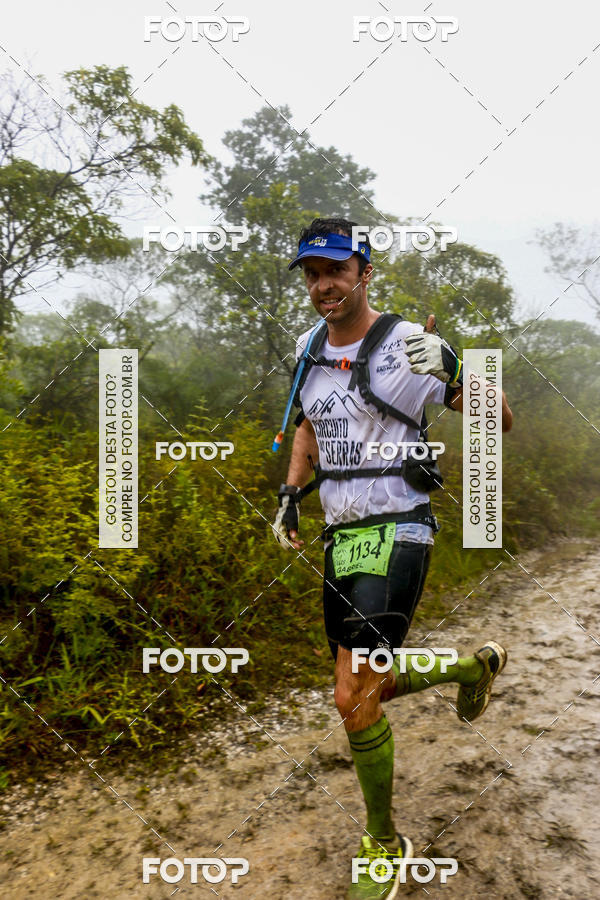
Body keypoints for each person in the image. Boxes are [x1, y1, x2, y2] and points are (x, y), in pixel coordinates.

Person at [271, 217, 513, 899]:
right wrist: (291, 496)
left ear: (364, 272)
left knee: (351, 695)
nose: (323, 285)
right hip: (341, 536)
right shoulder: (309, 346)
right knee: (361, 693)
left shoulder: (407, 343)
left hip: (402, 528)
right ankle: (469, 666)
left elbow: (500, 418)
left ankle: (384, 840)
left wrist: (459, 371)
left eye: (335, 271)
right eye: (312, 274)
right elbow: (309, 427)